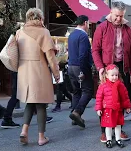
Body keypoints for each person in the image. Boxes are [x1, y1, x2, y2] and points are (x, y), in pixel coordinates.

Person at [92, 1, 131, 142]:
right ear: (111, 12)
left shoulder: (127, 30)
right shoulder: (102, 27)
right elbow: (95, 50)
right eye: (116, 15)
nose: (119, 19)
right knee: (106, 101)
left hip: (122, 68)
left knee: (121, 99)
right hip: (106, 68)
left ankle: (118, 128)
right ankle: (105, 131)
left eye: (121, 16)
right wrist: (100, 68)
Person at [17, 8, 60, 146]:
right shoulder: (43, 32)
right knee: (41, 104)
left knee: (30, 102)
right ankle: (41, 137)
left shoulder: (20, 32)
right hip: (39, 70)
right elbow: (50, 57)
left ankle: (24, 130)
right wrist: (56, 74)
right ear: (40, 18)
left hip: (24, 71)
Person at [95, 64, 131, 148]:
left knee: (118, 125)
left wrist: (127, 106)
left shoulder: (120, 85)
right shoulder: (103, 86)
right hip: (107, 109)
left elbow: (125, 97)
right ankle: (109, 139)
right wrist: (98, 108)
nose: (114, 77)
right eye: (112, 75)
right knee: (108, 125)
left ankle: (118, 138)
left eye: (116, 75)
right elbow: (99, 98)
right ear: (107, 75)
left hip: (118, 109)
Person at [68, 15, 93, 128]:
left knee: (76, 92)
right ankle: (77, 112)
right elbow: (83, 55)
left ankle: (75, 117)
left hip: (71, 66)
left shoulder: (71, 35)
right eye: (88, 24)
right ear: (85, 23)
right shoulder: (83, 36)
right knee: (87, 91)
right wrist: (84, 71)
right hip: (80, 66)